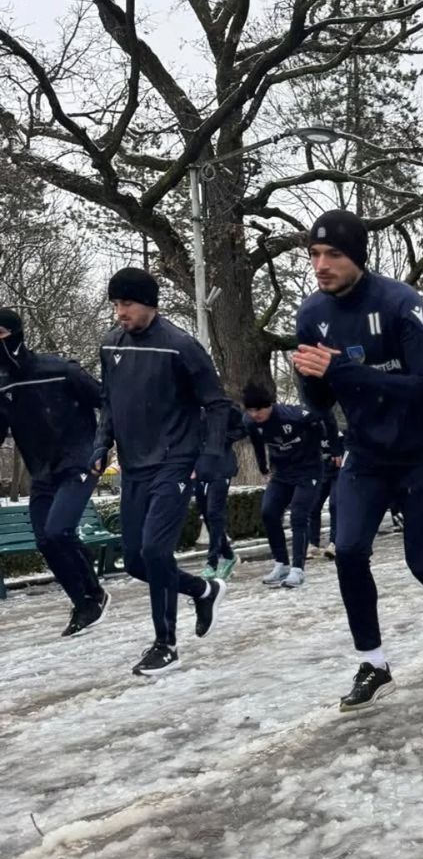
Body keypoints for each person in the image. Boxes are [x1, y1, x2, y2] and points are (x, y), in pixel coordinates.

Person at [293, 209, 423, 707]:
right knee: (349, 550)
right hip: (366, 453)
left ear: (357, 255)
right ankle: (373, 662)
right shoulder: (311, 315)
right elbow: (319, 404)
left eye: (332, 254)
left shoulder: (401, 302)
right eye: (314, 254)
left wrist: (344, 371)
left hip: (422, 449)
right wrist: (314, 380)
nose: (321, 265)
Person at [91, 268, 230, 675]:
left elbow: (217, 405)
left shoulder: (180, 347)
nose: (120, 313)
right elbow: (108, 402)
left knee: (155, 552)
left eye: (127, 304)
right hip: (133, 467)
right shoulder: (110, 346)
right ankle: (203, 590)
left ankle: (165, 643)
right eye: (116, 304)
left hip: (174, 462)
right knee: (135, 562)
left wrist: (209, 455)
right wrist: (101, 444)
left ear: (150, 303)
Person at [0, 308, 109, 636]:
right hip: (43, 470)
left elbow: (107, 400)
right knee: (47, 539)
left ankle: (93, 595)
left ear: (17, 334)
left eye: (2, 335)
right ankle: (86, 601)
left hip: (80, 460)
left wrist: (104, 444)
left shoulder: (60, 369)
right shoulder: (2, 384)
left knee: (59, 531)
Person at [243, 383, 333, 589]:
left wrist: (328, 449)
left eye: (259, 409)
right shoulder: (250, 423)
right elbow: (258, 445)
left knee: (298, 515)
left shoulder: (294, 416)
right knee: (268, 512)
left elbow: (321, 421)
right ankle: (281, 563)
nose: (255, 414)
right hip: (282, 473)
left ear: (270, 405)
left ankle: (297, 569)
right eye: (251, 410)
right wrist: (263, 468)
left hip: (308, 470)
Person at [195, 402, 247, 582]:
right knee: (207, 515)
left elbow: (243, 428)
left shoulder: (226, 408)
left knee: (214, 513)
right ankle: (229, 555)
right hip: (199, 467)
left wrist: (223, 439)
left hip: (221, 466)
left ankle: (213, 561)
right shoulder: (188, 409)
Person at [308, 414, 344, 560]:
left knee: (334, 505)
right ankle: (312, 543)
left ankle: (334, 543)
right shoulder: (311, 435)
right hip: (322, 473)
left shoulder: (339, 435)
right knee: (314, 506)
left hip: (338, 474)